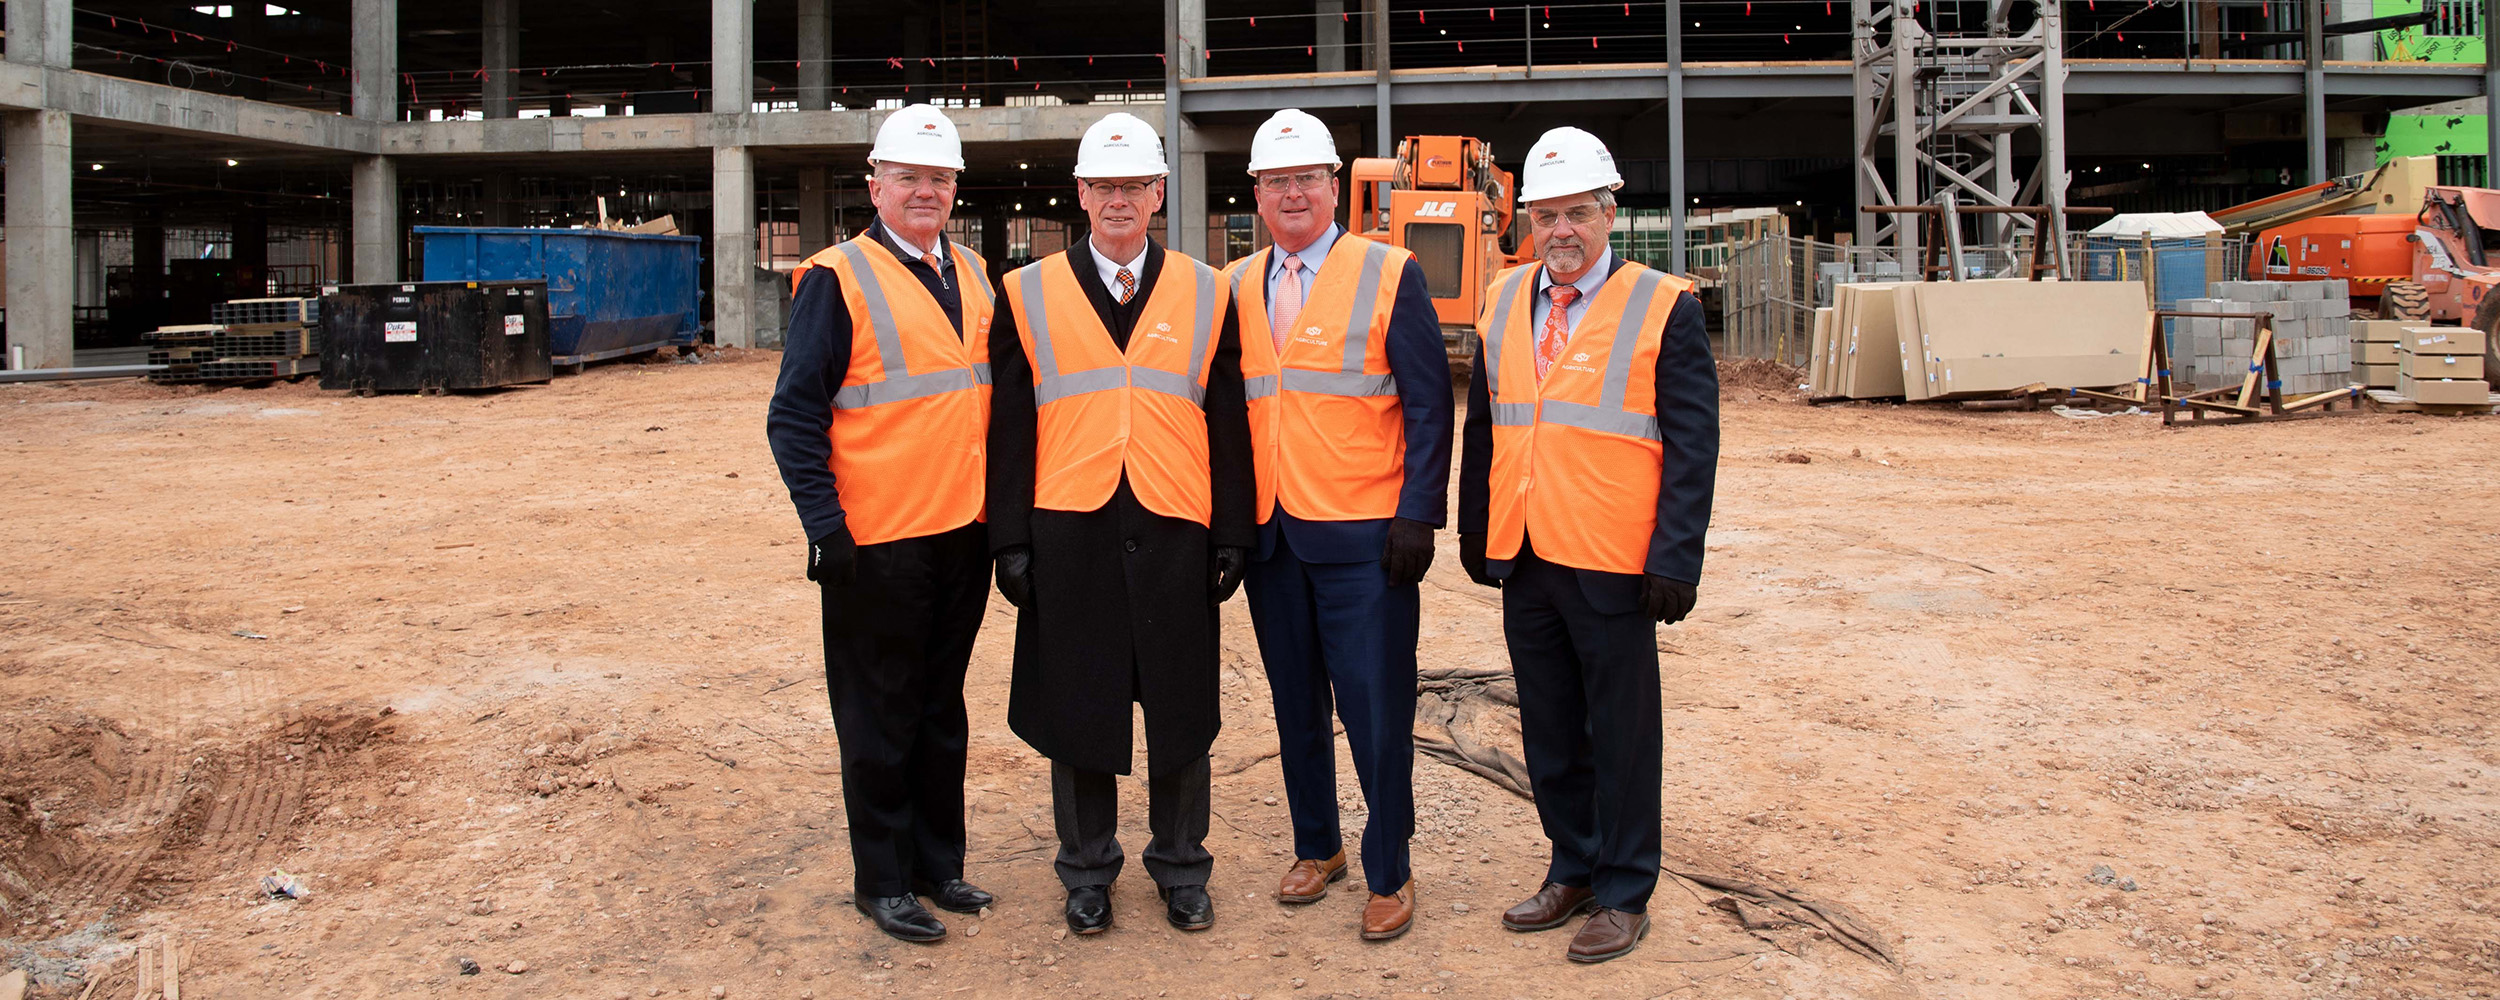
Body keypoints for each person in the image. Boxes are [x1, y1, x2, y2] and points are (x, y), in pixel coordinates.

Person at [985, 111, 1254, 936]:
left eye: (1134, 185)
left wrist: (1232, 532)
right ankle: (1087, 870)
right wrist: (1011, 539)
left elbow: (1229, 422)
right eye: (1104, 186)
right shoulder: (1025, 295)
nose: (1118, 201)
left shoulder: (1211, 292)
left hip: (1176, 524)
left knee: (1181, 709)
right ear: (1080, 193)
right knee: (1081, 705)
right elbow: (1010, 428)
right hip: (1072, 529)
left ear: (1159, 193)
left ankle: (1181, 868)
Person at [1455, 126, 1718, 964]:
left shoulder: (1663, 304)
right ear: (1525, 219)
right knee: (1551, 727)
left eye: (1577, 212)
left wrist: (1677, 556)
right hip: (1527, 550)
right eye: (1545, 215)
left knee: (1623, 731)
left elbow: (1692, 444)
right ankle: (1572, 865)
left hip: (1613, 558)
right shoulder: (1504, 298)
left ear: (1610, 213)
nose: (1560, 230)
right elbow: (1487, 424)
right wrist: (1472, 526)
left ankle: (1625, 887)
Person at [765, 103, 999, 944]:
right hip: (876, 544)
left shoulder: (972, 274)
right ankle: (884, 880)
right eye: (909, 177)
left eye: (940, 178)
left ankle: (940, 866)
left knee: (942, 710)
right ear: (876, 185)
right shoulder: (837, 276)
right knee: (878, 716)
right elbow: (793, 415)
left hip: (959, 536)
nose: (926, 191)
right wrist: (825, 528)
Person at [1223, 108, 1451, 941]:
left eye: (1306, 179)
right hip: (1276, 537)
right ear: (1256, 192)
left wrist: (1419, 515)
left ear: (1334, 188)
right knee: (1294, 705)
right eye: (1276, 181)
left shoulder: (1391, 274)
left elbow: (1429, 404)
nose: (1292, 194)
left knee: (1376, 710)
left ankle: (1390, 867)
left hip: (1365, 540)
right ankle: (1318, 847)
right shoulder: (1238, 286)